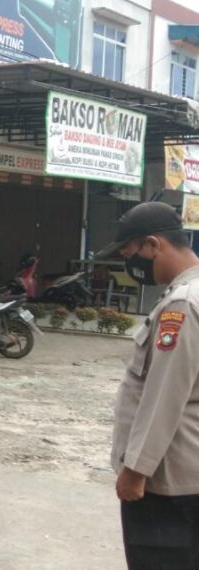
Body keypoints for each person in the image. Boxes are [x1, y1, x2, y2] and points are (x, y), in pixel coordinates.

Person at [100, 202, 199, 568]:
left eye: (131, 254)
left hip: (168, 481)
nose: (131, 264)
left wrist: (136, 471)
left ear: (154, 245)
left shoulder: (182, 306)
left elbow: (164, 396)